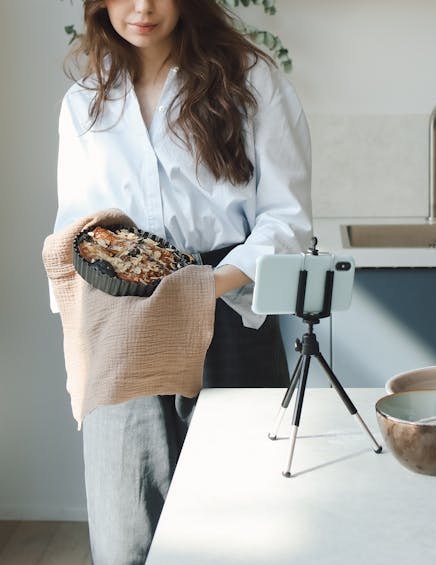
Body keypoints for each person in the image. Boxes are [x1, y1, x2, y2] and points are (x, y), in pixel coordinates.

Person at [52, 0, 312, 562]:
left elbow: (286, 218)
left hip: (227, 312)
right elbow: (76, 225)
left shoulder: (249, 81)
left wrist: (206, 288)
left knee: (242, 522)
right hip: (121, 321)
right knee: (126, 531)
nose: (142, 7)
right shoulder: (84, 104)